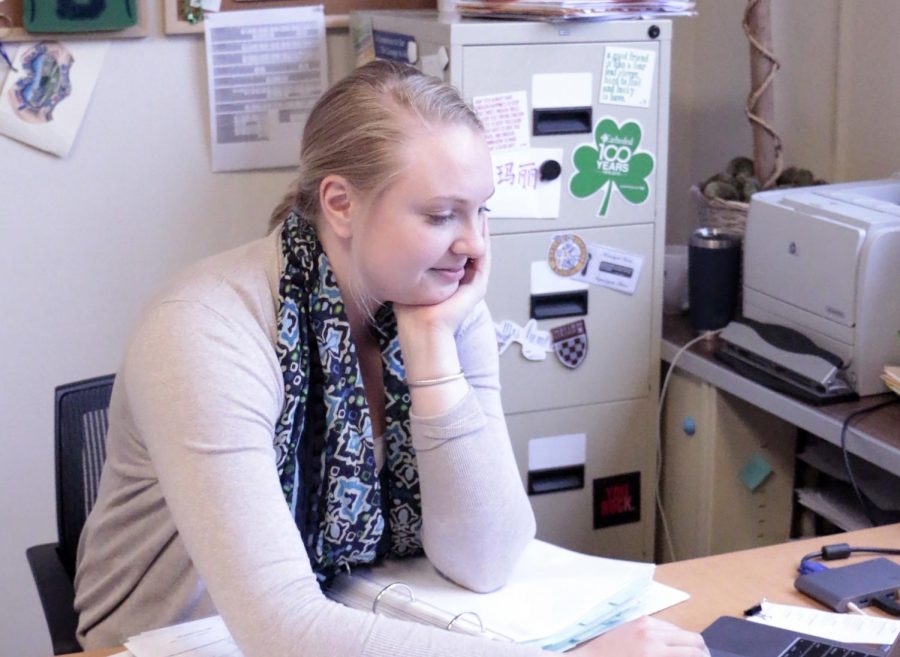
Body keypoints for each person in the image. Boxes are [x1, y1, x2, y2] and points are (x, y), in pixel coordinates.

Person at [74, 60, 708, 657]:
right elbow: (281, 628)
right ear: (340, 204)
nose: (473, 244)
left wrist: (431, 350)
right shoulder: (203, 331)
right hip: (181, 641)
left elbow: (486, 557)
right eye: (440, 215)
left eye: (481, 210)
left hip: (363, 624)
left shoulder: (439, 301)